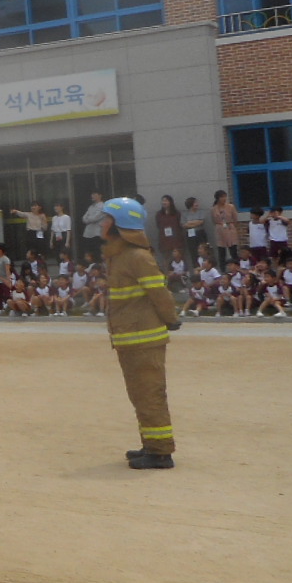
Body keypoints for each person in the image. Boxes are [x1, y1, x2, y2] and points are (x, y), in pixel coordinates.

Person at [98, 197, 182, 469]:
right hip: (130, 338)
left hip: (143, 338)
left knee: (150, 394)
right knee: (139, 394)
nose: (102, 224)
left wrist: (171, 319)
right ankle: (150, 444)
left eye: (106, 219)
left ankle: (160, 453)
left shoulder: (138, 257)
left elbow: (159, 292)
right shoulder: (120, 256)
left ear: (119, 224)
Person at [210, 189, 239, 269]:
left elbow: (235, 218)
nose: (224, 198)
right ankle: (222, 269)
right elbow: (214, 220)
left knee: (233, 250)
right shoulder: (213, 209)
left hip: (230, 228)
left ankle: (236, 267)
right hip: (220, 229)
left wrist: (231, 226)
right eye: (222, 197)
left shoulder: (231, 207)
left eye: (225, 196)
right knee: (221, 251)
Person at [81, 192, 107, 258]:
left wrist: (88, 219)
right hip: (88, 233)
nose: (92, 196)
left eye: (95, 195)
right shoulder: (91, 206)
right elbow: (84, 218)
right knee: (89, 252)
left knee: (97, 253)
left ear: (100, 196)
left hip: (97, 233)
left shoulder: (103, 206)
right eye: (92, 194)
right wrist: (89, 219)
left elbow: (94, 218)